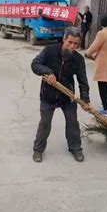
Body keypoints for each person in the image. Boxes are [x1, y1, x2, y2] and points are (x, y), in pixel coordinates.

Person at [31, 27, 90, 163]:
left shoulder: (78, 59)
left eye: (76, 44)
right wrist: (48, 72)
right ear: (64, 39)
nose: (72, 46)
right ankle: (38, 150)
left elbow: (83, 81)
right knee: (45, 123)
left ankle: (76, 148)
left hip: (67, 97)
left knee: (72, 123)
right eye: (70, 42)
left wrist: (85, 100)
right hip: (48, 95)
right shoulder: (49, 50)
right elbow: (35, 64)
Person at [85, 15, 107, 117]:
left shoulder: (102, 34)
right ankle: (105, 105)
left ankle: (105, 109)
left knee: (102, 86)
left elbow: (94, 47)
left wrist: (88, 53)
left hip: (103, 64)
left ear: (103, 24)